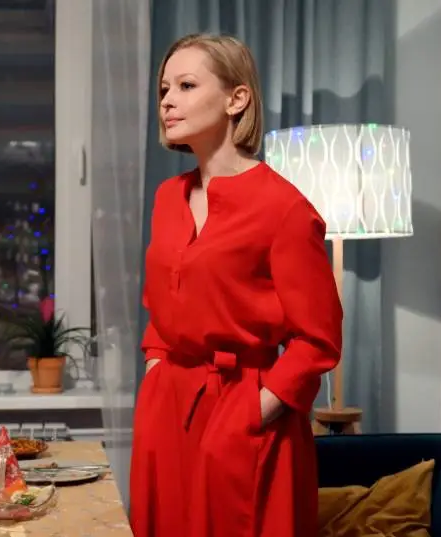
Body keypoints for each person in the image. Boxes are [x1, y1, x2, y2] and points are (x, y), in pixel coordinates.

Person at [129, 33, 343, 537]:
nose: (167, 100)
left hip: (245, 414)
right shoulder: (167, 198)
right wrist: (156, 368)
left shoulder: (285, 209)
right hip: (167, 412)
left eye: (186, 85)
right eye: (164, 89)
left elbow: (318, 341)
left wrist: (252, 413)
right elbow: (161, 308)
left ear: (236, 98)